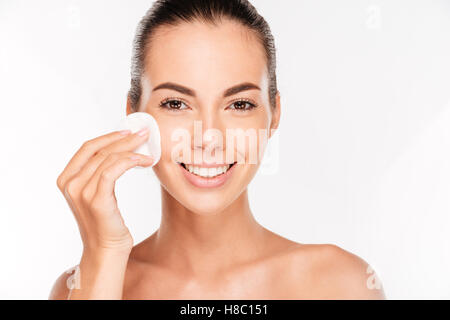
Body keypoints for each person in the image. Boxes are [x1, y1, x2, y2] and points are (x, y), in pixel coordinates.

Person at [50, 0, 385, 299]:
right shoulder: (83, 284)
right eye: (176, 103)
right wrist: (104, 253)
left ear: (274, 114)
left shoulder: (341, 284)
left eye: (239, 104)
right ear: (135, 115)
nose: (209, 137)